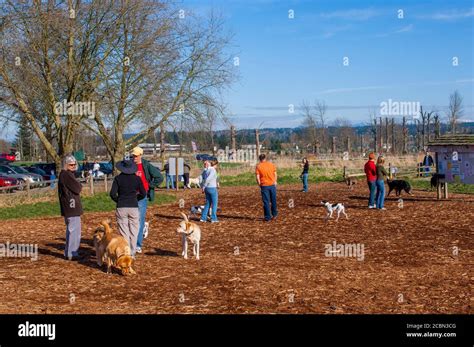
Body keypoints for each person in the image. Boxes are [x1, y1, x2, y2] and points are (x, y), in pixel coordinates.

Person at [110, 159, 146, 257]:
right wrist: (136, 198)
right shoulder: (137, 179)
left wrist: (119, 200)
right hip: (133, 206)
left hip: (122, 206)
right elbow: (143, 193)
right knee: (134, 231)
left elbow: (112, 194)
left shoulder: (118, 179)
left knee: (124, 232)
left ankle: (126, 252)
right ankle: (132, 253)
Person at [131, 146, 164, 253]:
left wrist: (149, 186)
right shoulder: (130, 165)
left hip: (142, 196)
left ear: (140, 155)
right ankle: (130, 241)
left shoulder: (146, 165)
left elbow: (159, 177)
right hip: (130, 196)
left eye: (136, 156)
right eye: (133, 155)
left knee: (139, 220)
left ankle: (137, 244)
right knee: (130, 219)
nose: (134, 157)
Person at [58, 155, 83, 260]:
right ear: (65, 165)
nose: (73, 166)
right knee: (74, 231)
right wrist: (79, 185)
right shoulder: (66, 175)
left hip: (69, 206)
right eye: (70, 164)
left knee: (72, 230)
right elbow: (77, 188)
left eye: (74, 164)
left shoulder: (66, 174)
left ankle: (69, 252)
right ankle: (72, 253)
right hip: (71, 206)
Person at [256, 154, 278, 222]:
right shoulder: (271, 164)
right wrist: (275, 181)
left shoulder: (258, 166)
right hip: (272, 184)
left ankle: (267, 217)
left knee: (266, 202)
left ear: (260, 159)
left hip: (264, 185)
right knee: (273, 200)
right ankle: (274, 215)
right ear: (265, 158)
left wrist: (259, 184)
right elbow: (275, 173)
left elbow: (257, 176)